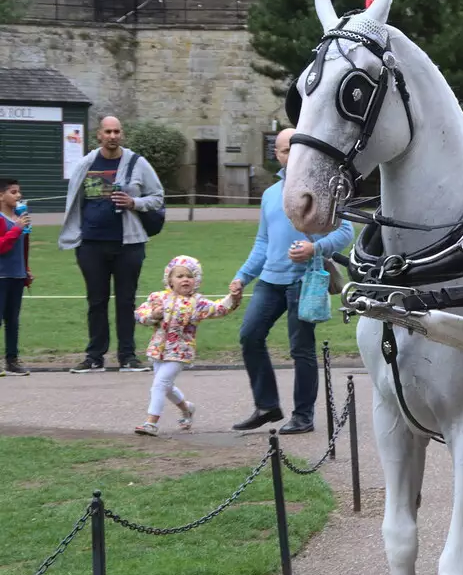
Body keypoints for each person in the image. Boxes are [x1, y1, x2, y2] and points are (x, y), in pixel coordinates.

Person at [230, 128, 354, 435]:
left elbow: (346, 233)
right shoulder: (271, 194)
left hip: (305, 280)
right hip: (270, 281)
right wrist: (242, 277)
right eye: (287, 150)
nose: (293, 155)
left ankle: (303, 416)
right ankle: (267, 406)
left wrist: (316, 248)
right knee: (249, 336)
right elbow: (262, 242)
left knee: (301, 349)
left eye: (299, 148)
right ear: (278, 153)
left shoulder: (323, 187)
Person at [59, 115, 165, 374]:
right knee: (96, 301)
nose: (112, 136)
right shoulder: (86, 163)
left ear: (122, 134)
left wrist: (134, 203)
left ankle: (127, 356)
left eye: (117, 131)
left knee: (126, 300)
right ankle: (94, 356)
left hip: (128, 244)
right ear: (99, 134)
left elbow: (158, 197)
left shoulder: (137, 163)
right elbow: (76, 201)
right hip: (91, 244)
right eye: (108, 131)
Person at [132, 255, 241, 436]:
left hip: (180, 351)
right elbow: (139, 314)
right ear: (170, 280)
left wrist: (233, 297)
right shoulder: (157, 298)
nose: (185, 280)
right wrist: (153, 315)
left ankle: (150, 423)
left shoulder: (197, 302)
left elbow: (219, 308)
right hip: (158, 350)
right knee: (165, 386)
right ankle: (187, 408)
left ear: (196, 280)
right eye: (179, 276)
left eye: (189, 276)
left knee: (160, 384)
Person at [0, 178, 31, 375]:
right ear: (1, 195)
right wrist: (17, 229)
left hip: (16, 275)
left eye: (19, 192)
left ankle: (12, 360)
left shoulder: (20, 218)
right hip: (1, 276)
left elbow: (22, 248)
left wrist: (26, 269)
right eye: (13, 192)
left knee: (13, 320)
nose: (18, 196)